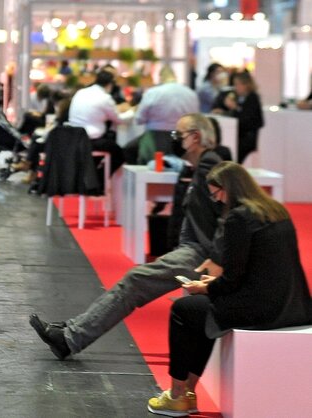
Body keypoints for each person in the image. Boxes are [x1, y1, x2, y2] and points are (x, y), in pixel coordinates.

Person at [30, 113, 224, 362]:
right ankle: (70, 331)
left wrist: (216, 260)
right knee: (135, 281)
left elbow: (225, 218)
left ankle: (70, 337)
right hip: (193, 250)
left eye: (178, 135)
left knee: (135, 281)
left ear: (195, 137)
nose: (173, 139)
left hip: (201, 254)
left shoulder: (210, 166)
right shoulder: (197, 167)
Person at [147, 161, 312, 417]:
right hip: (295, 305)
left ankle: (178, 395)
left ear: (228, 189)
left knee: (183, 309)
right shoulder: (276, 210)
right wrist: (212, 288)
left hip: (262, 309)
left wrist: (205, 288)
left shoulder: (239, 218)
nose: (216, 200)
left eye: (216, 193)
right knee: (200, 312)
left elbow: (233, 278)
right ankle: (186, 392)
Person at [126, 66, 199, 164]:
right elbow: (196, 117)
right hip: (182, 137)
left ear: (160, 77)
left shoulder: (153, 92)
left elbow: (139, 119)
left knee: (130, 150)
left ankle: (139, 178)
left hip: (156, 136)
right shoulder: (191, 94)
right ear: (175, 76)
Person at [66, 69, 129, 174]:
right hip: (92, 140)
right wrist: (130, 112)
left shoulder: (81, 92)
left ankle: (93, 179)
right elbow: (119, 119)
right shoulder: (105, 98)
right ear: (110, 84)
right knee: (119, 154)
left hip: (73, 137)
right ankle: (99, 181)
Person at [211, 71, 264, 165]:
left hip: (245, 139)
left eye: (237, 84)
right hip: (239, 137)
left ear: (246, 85)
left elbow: (247, 119)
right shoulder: (240, 97)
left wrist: (235, 108)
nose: (235, 88)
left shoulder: (252, 98)